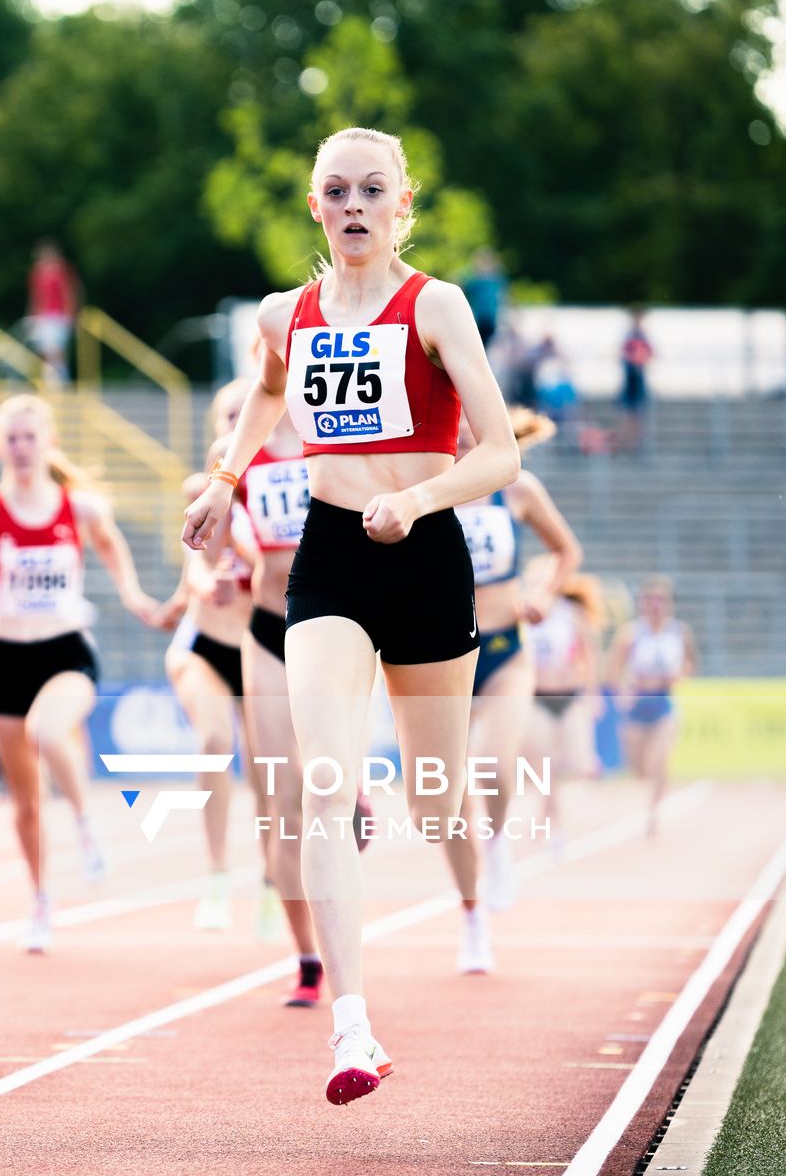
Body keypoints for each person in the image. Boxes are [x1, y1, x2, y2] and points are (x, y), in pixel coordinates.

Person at [182, 125, 519, 1106]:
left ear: (402, 205)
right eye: (339, 190)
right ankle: (353, 1026)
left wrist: (417, 501)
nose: (357, 205)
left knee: (435, 794)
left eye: (375, 189)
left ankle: (460, 869)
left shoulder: (437, 306)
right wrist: (222, 479)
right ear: (317, 207)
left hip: (423, 554)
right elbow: (265, 397)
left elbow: (501, 451)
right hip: (330, 559)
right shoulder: (285, 314)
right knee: (323, 784)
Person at [0, 393, 167, 953]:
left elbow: (113, 550)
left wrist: (135, 597)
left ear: (48, 443)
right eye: (10, 438)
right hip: (8, 658)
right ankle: (41, 899)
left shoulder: (80, 509)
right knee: (26, 801)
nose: (20, 448)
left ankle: (88, 823)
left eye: (29, 437)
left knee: (48, 729)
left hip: (66, 650)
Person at [453, 409, 581, 959]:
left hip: (505, 649)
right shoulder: (423, 484)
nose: (459, 426)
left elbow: (566, 550)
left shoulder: (516, 487)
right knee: (445, 791)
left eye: (466, 414)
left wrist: (545, 595)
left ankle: (499, 842)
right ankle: (471, 913)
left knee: (494, 764)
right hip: (439, 654)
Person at [226, 378, 329, 1006]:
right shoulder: (240, 451)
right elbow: (206, 516)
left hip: (328, 627)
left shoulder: (333, 439)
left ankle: (353, 794)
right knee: (279, 801)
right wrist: (205, 574)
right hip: (265, 630)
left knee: (320, 784)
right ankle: (308, 957)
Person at [165, 381, 258, 932]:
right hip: (205, 646)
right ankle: (218, 875)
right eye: (227, 416)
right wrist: (206, 587)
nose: (233, 426)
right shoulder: (208, 486)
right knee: (215, 740)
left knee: (272, 775)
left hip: (262, 651)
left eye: (244, 416)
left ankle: (274, 883)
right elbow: (196, 565)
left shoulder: (282, 488)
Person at [523, 563, 608, 850]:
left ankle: (579, 764)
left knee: (580, 766)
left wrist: (592, 693)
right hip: (536, 697)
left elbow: (590, 654)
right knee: (544, 768)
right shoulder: (522, 614)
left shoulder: (571, 614)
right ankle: (553, 825)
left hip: (569, 696)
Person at [605, 575, 696, 836]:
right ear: (642, 603)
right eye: (649, 600)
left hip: (663, 703)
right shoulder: (631, 633)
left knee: (660, 758)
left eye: (661, 600)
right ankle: (649, 800)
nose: (655, 605)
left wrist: (678, 674)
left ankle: (654, 813)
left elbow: (690, 664)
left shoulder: (679, 632)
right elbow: (612, 666)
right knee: (640, 769)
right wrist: (621, 693)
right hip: (636, 706)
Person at [25, 240, 79, 386]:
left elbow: (69, 293)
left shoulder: (61, 271)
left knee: (55, 350)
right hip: (42, 316)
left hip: (57, 316)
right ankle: (48, 380)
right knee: (43, 351)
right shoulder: (37, 272)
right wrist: (33, 315)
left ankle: (61, 380)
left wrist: (70, 315)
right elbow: (36, 297)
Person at [619, 308, 654, 454]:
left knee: (638, 413)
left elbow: (651, 353)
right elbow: (623, 354)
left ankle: (636, 444)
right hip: (631, 377)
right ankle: (627, 444)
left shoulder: (642, 336)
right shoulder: (630, 336)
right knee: (629, 413)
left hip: (638, 377)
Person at [461, 248, 507, 346]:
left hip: (491, 319)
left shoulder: (496, 280)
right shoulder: (475, 280)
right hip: (479, 319)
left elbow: (504, 297)